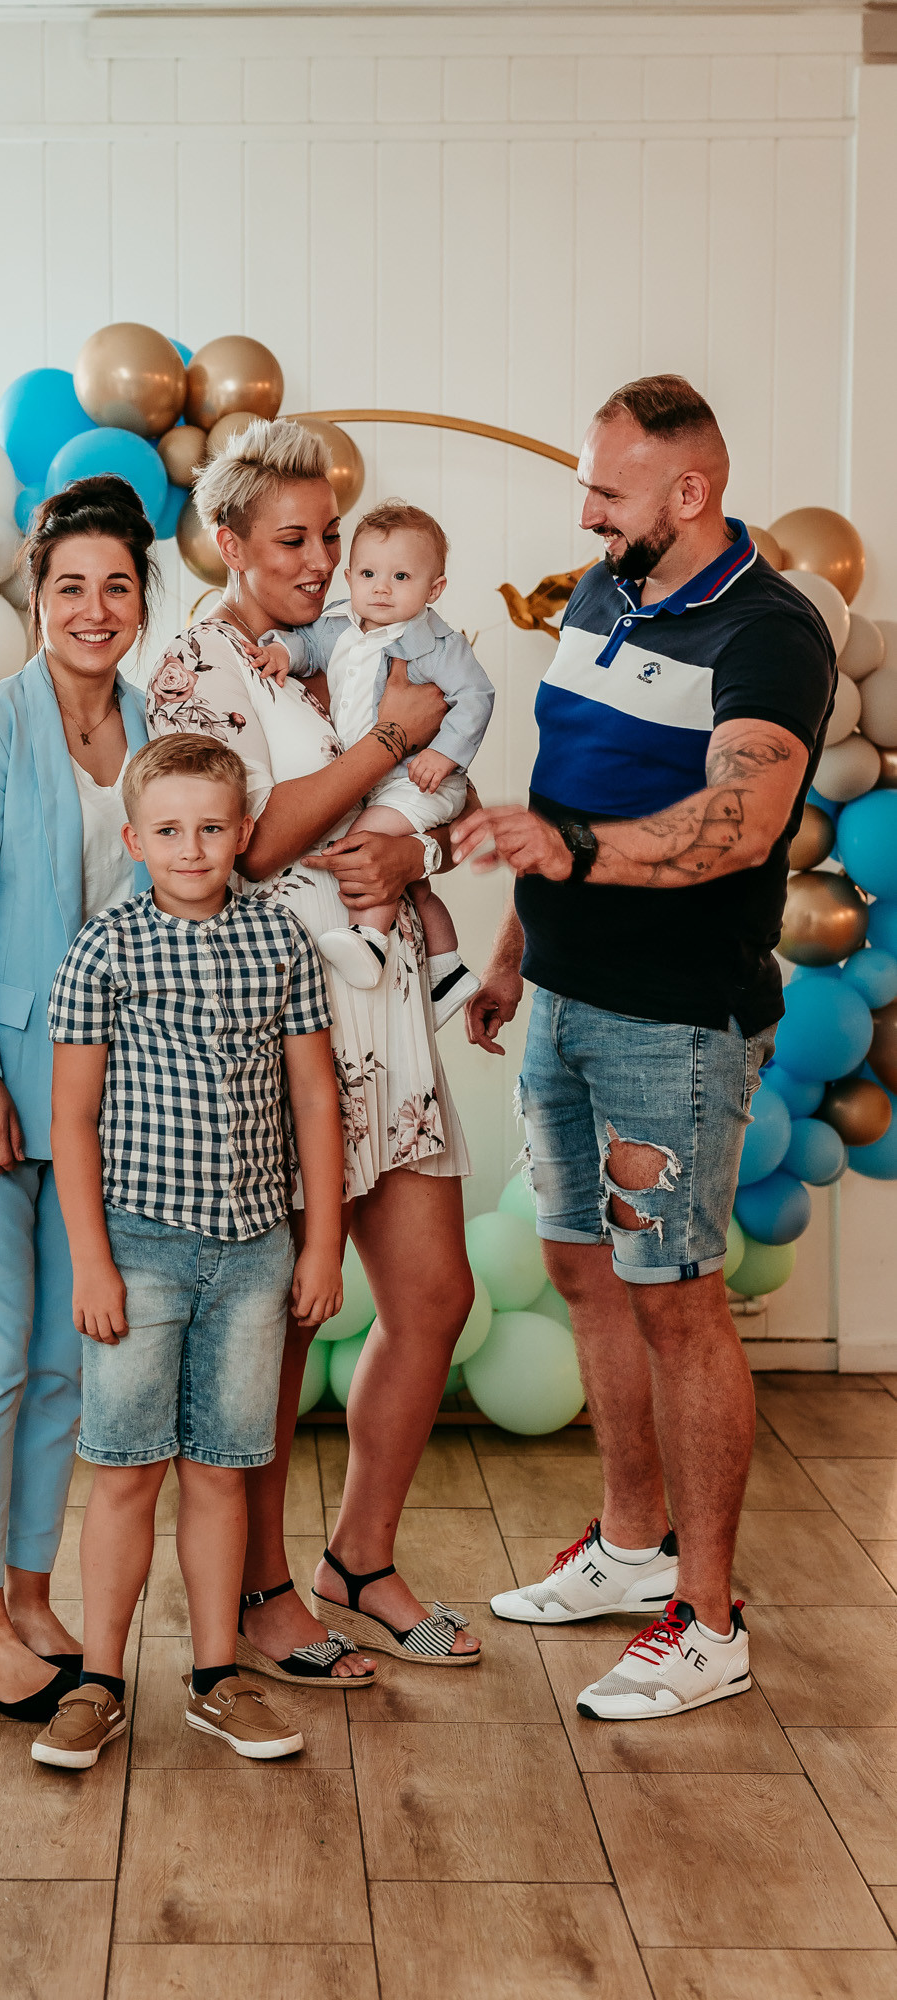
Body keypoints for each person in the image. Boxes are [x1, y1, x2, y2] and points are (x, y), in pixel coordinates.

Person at [457, 375, 835, 1720]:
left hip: (671, 1022)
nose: (584, 513)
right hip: (562, 997)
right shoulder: (600, 593)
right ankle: (629, 1548)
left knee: (674, 1299)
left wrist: (563, 853)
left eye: (605, 491)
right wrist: (514, 953)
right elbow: (562, 791)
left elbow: (738, 824)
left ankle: (708, 1619)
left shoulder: (768, 631)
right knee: (582, 1269)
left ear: (688, 490)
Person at [148, 417, 482, 1677]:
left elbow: (421, 796)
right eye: (290, 538)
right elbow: (252, 838)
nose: (321, 558)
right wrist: (388, 738)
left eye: (330, 535)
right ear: (226, 542)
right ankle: (260, 1588)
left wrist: (413, 846)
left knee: (432, 1295)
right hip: (282, 1024)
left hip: (383, 1008)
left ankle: (360, 1556)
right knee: (281, 1324)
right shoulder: (196, 665)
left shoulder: (339, 645)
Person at [31, 734, 344, 1769]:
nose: (191, 847)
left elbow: (314, 1099)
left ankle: (217, 1677)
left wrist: (320, 1243)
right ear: (133, 840)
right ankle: (98, 1682)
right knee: (126, 1470)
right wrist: (90, 1261)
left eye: (211, 827)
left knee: (221, 1470)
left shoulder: (278, 939)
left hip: (254, 1254)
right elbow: (72, 1119)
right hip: (137, 1251)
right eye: (167, 830)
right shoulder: (103, 949)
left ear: (243, 832)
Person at [0, 476, 156, 1723]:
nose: (92, 608)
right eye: (69, 587)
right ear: (35, 597)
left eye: (116, 586)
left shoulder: (154, 727)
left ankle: (29, 1588)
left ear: (142, 598)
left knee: (66, 1358)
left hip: (101, 1097)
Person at [252, 498, 493, 1024]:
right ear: (351, 577)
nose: (381, 588)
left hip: (418, 779)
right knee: (413, 883)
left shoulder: (439, 645)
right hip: (376, 778)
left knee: (367, 843)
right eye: (368, 574)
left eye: (400, 577)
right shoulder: (340, 624)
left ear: (434, 589)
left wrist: (444, 753)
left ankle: (369, 938)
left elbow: (476, 696)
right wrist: (283, 654)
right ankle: (447, 970)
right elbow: (307, 648)